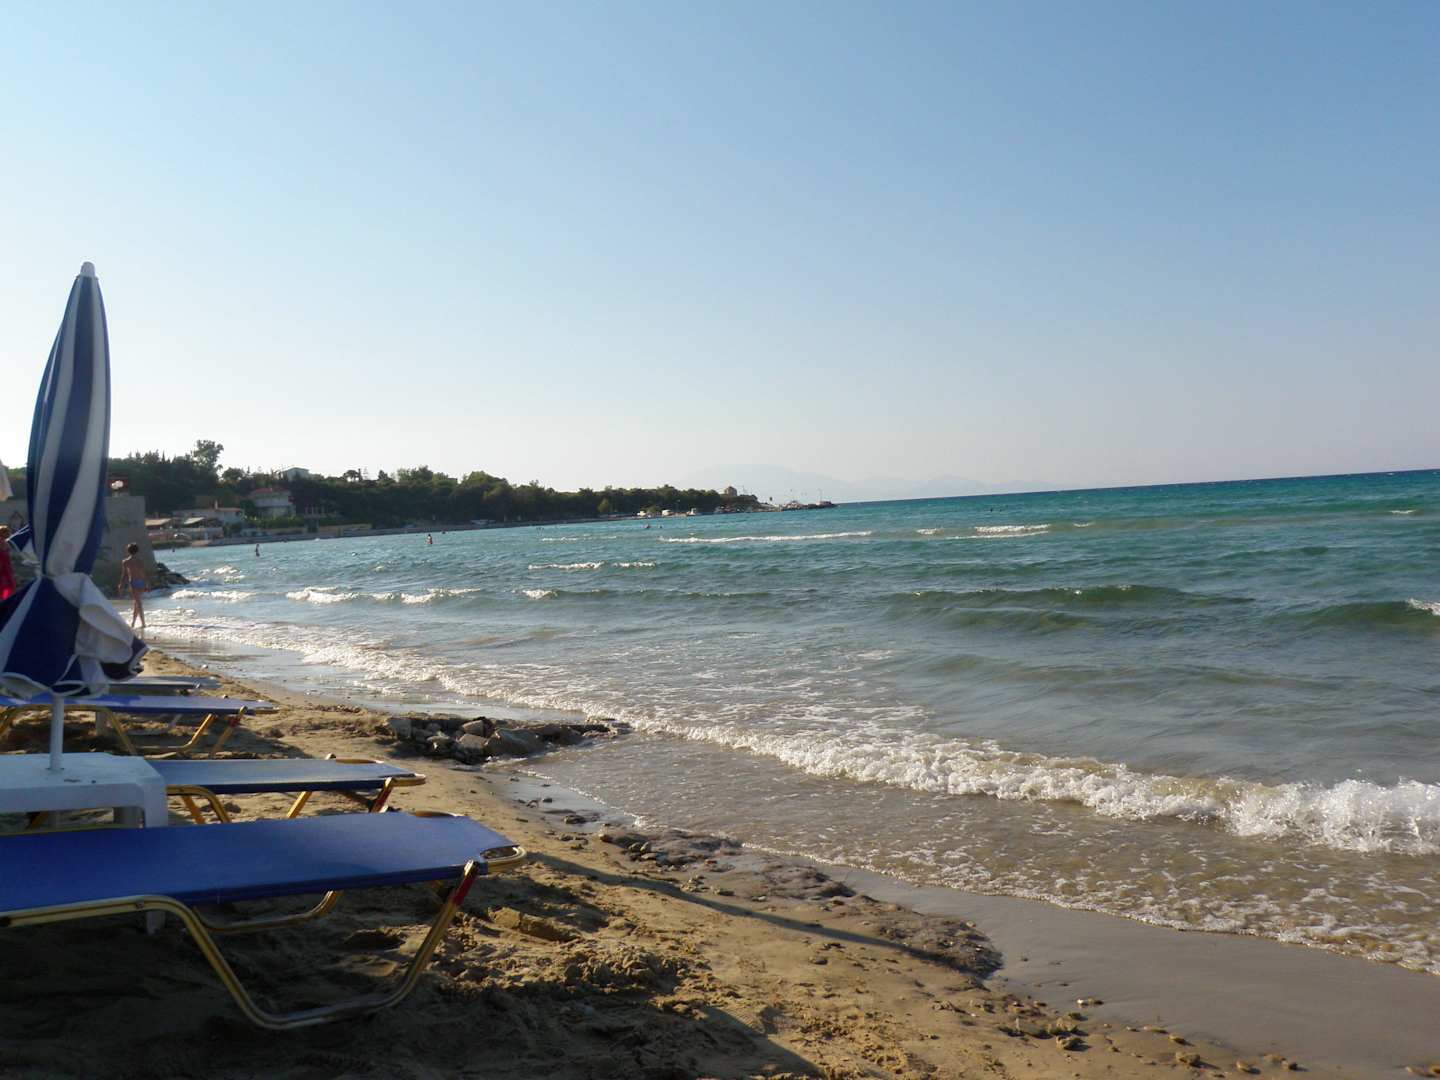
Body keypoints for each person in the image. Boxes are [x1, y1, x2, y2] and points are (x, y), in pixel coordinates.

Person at [118, 542, 147, 633]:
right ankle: (134, 622)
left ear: (128, 551)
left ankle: (142, 623)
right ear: (137, 550)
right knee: (137, 602)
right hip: (141, 581)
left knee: (138, 603)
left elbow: (124, 575)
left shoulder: (126, 561)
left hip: (133, 582)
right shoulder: (140, 560)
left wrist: (121, 584)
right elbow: (143, 573)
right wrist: (146, 583)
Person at [0, 526, 16, 602]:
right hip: (8, 575)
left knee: (4, 599)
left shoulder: (2, 543)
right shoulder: (7, 544)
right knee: (6, 599)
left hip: (3, 577)